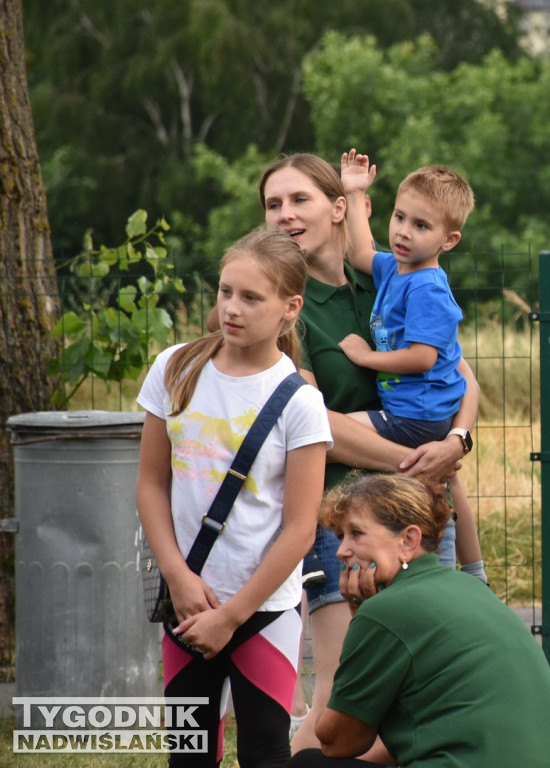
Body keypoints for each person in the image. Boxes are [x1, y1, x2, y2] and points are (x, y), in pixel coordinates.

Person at [257, 153, 481, 753]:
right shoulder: (283, 304)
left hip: (418, 511)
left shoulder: (395, 275)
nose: (284, 215)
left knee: (422, 685)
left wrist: (457, 441)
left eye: (298, 200)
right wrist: (411, 459)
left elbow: (461, 377)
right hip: (341, 513)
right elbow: (313, 419)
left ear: (339, 208)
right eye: (272, 205)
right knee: (340, 689)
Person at [136, 226, 332, 768]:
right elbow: (152, 483)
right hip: (188, 603)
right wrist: (178, 578)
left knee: (266, 751)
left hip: (264, 609)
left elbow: (300, 528)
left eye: (251, 297)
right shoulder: (175, 369)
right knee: (189, 751)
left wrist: (234, 615)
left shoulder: (300, 402)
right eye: (226, 291)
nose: (232, 308)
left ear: (291, 307)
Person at [286, 473, 550, 768]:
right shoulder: (470, 587)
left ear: (408, 540)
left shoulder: (385, 611)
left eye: (356, 533)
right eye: (339, 536)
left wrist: (361, 613)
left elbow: (337, 742)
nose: (341, 551)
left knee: (307, 763)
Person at [338, 149, 486, 582]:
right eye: (399, 217)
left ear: (449, 240)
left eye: (421, 226)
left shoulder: (427, 287)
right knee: (432, 489)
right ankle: (470, 572)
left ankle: (452, 569)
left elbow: (423, 357)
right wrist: (353, 190)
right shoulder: (397, 269)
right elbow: (361, 250)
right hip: (417, 412)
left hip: (417, 415)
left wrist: (367, 357)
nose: (403, 232)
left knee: (331, 430)